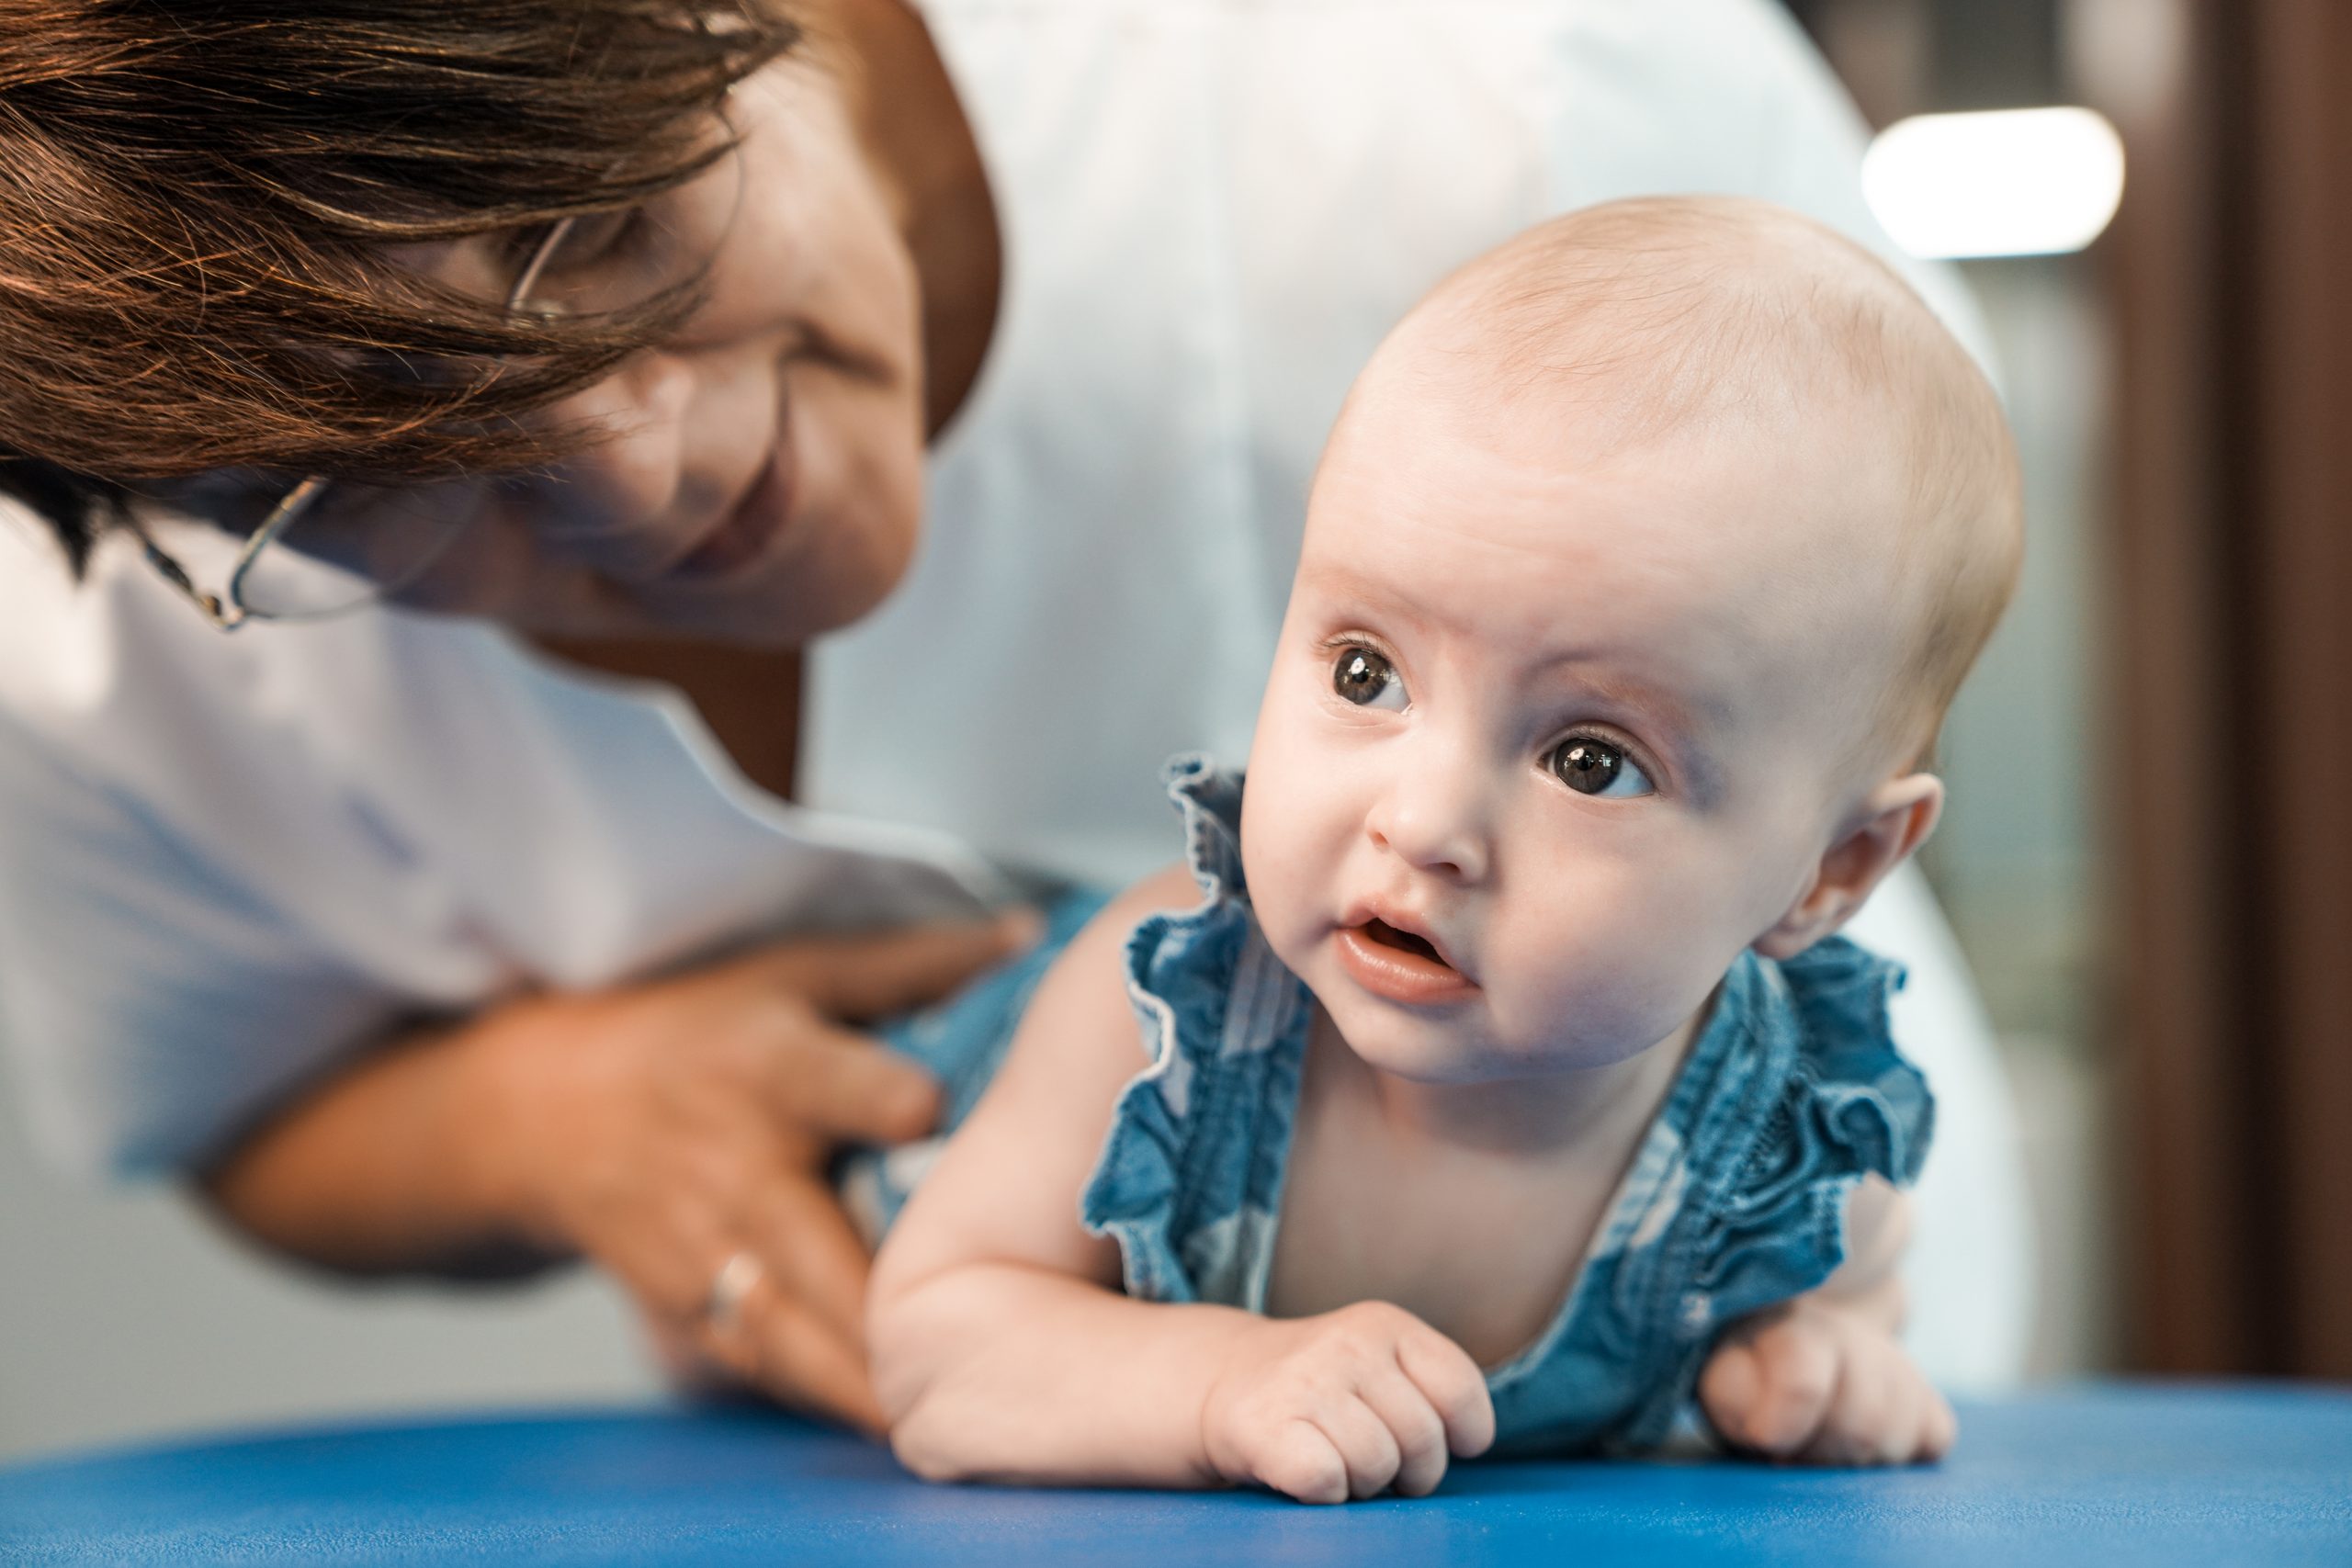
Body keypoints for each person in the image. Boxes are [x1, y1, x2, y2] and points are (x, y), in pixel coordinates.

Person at [0, 0, 2030, 1432]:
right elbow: (224, 1093)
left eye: (597, 230)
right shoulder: (109, 623)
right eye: (374, 464)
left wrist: (1806, 1328)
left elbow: (1888, 601)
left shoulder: (1506, 81)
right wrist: (538, 1112)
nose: (641, 471)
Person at [866, 197, 2018, 1499]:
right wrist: (1219, 1385)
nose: (1418, 823)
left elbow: (1860, 1299)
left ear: (1832, 869)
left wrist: (1814, 1354)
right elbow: (934, 1343)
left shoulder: (1778, 1141)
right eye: (1367, 671)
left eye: (1590, 760)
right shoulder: (1154, 1014)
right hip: (896, 1100)